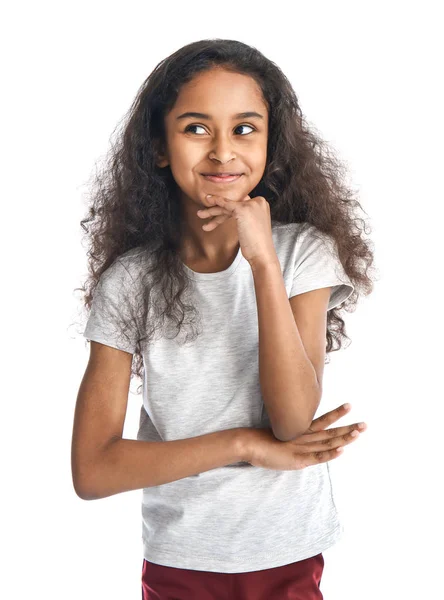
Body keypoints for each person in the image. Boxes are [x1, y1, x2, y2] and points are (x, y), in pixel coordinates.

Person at [72, 39, 374, 599]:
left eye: (243, 128)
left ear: (269, 143)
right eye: (195, 128)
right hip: (180, 561)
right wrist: (243, 444)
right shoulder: (129, 282)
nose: (222, 152)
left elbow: (290, 420)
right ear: (160, 147)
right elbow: (92, 470)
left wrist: (261, 262)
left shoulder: (301, 253)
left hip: (287, 552)